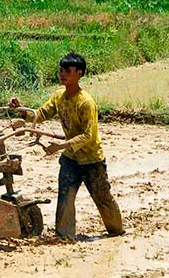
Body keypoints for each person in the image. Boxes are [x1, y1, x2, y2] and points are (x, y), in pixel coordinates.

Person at [9, 52, 124, 240]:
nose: (62, 74)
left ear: (79, 73)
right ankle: (64, 236)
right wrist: (21, 109)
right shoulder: (58, 97)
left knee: (102, 197)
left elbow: (88, 135)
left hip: (91, 159)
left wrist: (61, 145)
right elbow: (40, 114)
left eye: (67, 71)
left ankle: (117, 231)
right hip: (71, 159)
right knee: (65, 197)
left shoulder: (86, 102)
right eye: (61, 70)